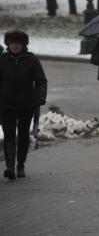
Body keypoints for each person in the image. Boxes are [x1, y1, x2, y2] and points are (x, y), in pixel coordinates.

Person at [0, 30, 47, 180]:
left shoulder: (31, 59)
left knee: (23, 136)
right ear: (8, 44)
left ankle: (21, 164)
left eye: (18, 43)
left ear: (23, 45)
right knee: (8, 136)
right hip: (6, 104)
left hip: (26, 104)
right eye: (12, 43)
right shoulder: (2, 59)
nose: (14, 46)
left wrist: (40, 96)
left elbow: (41, 81)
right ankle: (10, 168)